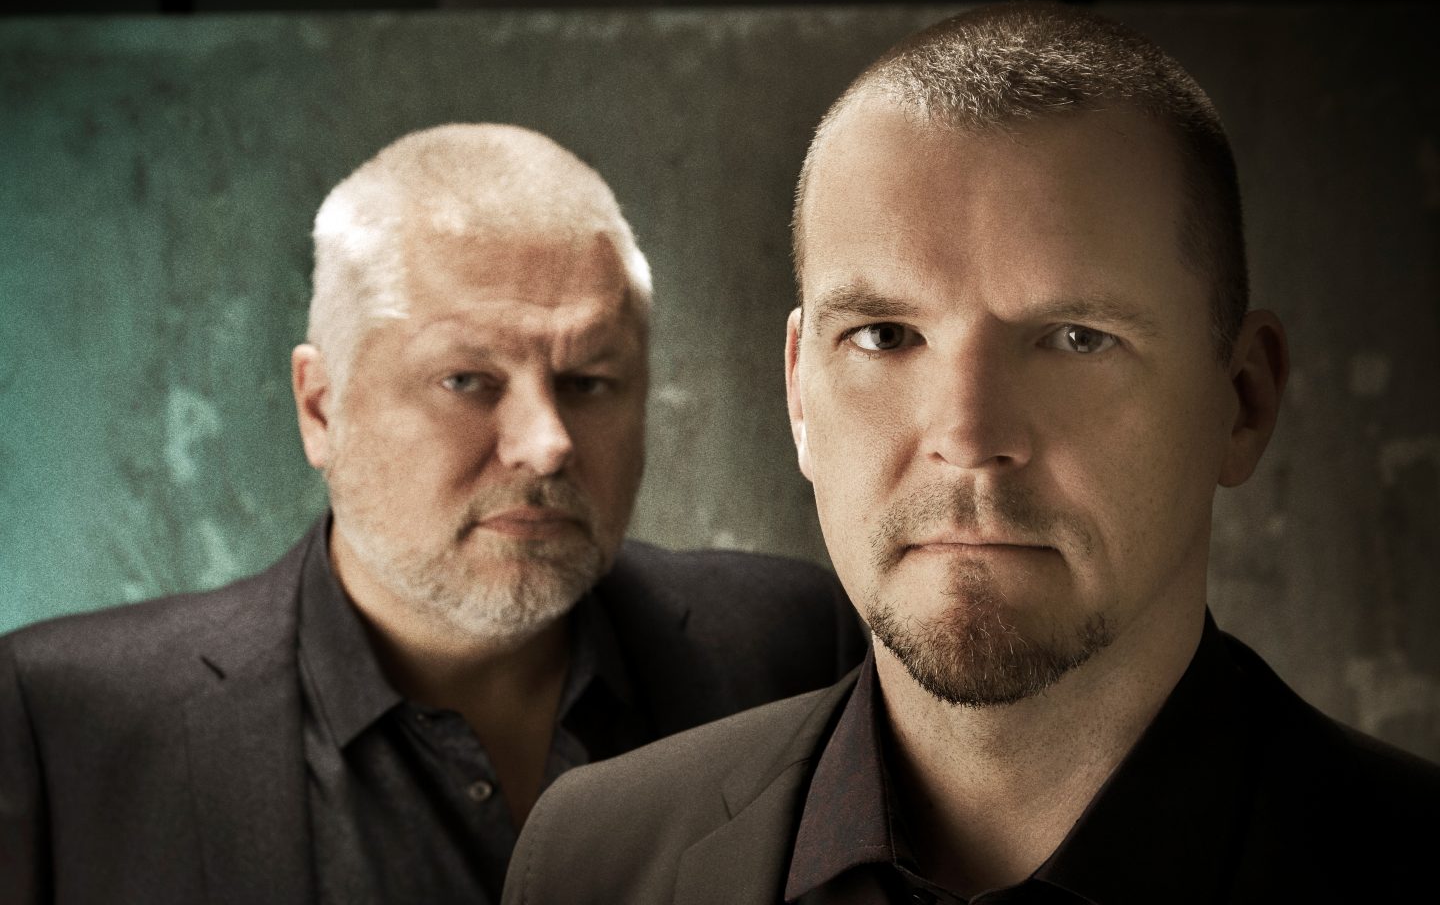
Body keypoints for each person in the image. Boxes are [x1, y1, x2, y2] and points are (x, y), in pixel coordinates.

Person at [503, 5, 1440, 904]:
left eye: (1075, 338)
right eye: (884, 335)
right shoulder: (590, 864)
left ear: (1243, 401)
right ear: (799, 395)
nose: (967, 437)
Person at [0, 124, 865, 905]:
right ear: (320, 407)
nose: (547, 443)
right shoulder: (60, 726)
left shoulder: (791, 644)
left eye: (588, 382)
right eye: (467, 380)